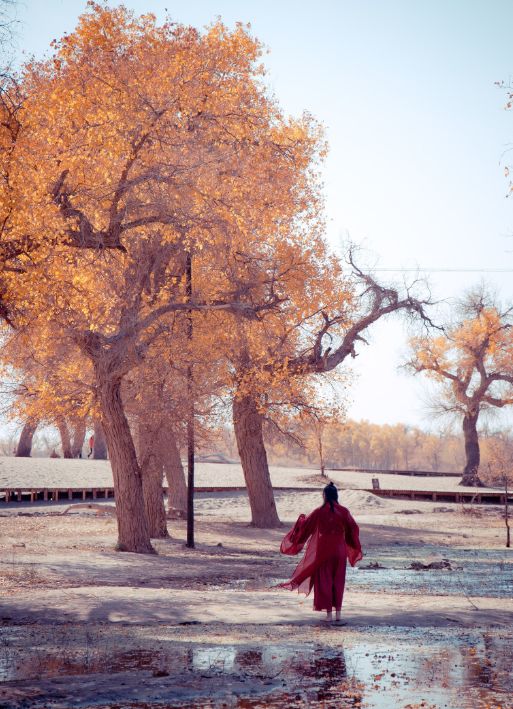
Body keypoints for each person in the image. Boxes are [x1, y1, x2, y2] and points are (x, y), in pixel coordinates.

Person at [279, 481, 362, 623]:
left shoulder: (319, 511)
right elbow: (353, 528)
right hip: (340, 550)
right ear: (336, 495)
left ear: (324, 496)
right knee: (338, 581)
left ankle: (329, 615)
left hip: (324, 550)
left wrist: (300, 522)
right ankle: (339, 615)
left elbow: (306, 527)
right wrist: (351, 543)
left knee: (325, 581)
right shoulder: (344, 511)